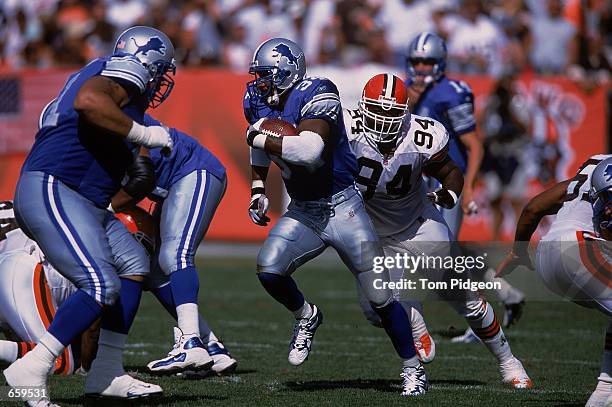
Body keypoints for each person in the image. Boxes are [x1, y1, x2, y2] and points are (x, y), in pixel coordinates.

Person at [4, 25, 175, 405]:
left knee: (133, 262)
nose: (161, 80)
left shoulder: (94, 71)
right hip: (57, 188)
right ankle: (33, 365)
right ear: (146, 62)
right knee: (99, 286)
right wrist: (143, 136)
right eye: (160, 70)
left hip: (79, 196)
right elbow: (88, 102)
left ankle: (106, 371)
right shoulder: (119, 75)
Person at [244, 38, 425, 396]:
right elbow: (262, 144)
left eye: (265, 75)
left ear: (286, 72)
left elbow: (310, 151)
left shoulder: (319, 92)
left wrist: (258, 138)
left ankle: (412, 367)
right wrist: (258, 188)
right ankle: (307, 315)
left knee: (381, 298)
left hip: (343, 205)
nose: (258, 83)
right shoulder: (257, 100)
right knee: (269, 269)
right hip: (304, 210)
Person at [346, 73, 533, 389]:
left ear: (406, 112)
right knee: (376, 311)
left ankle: (509, 362)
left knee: (466, 298)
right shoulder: (347, 132)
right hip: (377, 236)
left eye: (392, 113)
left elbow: (449, 171)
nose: (383, 121)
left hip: (420, 226)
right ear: (363, 109)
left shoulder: (420, 136)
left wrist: (450, 193)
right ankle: (413, 317)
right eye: (377, 111)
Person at [405, 32, 526, 338]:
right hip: (420, 183)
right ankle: (508, 294)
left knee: (440, 258)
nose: (420, 68)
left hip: (447, 183)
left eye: (427, 61)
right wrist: (409, 103)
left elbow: (475, 145)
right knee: (449, 253)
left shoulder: (451, 93)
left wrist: (468, 186)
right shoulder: (410, 92)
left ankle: (479, 314)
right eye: (416, 61)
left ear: (440, 62)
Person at [497, 155, 611, 406]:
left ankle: (606, 390)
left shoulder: (592, 173)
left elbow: (533, 208)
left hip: (548, 256)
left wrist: (517, 251)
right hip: (579, 250)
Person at [130, 115, 236, 375]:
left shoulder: (111, 116)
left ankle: (190, 341)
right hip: (171, 185)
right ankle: (212, 348)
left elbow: (138, 181)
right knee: (154, 274)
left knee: (175, 255)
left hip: (192, 170)